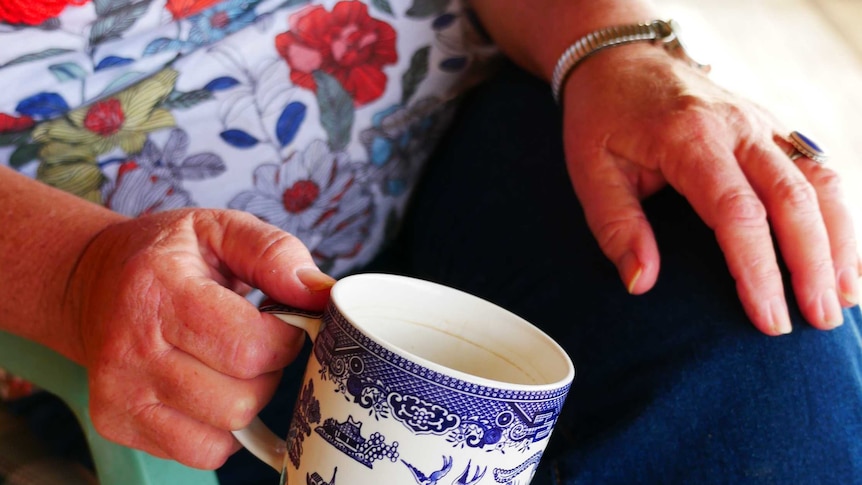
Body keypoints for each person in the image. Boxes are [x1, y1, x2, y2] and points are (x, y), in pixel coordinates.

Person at [0, 0, 859, 483]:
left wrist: (613, 46)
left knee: (767, 338)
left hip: (464, 123)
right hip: (147, 288)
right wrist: (74, 275)